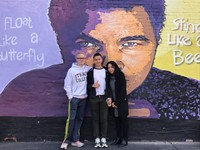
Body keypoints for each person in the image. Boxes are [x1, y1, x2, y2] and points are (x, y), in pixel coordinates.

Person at [0, 0, 199, 121]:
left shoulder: (189, 97)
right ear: (62, 44)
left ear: (157, 43)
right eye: (88, 44)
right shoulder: (26, 92)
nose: (110, 62)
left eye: (130, 44)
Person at [60, 52, 91, 150]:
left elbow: (98, 71)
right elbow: (67, 84)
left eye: (83, 58)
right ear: (76, 59)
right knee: (71, 119)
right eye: (79, 58)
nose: (81, 59)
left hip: (84, 98)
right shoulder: (71, 71)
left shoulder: (87, 69)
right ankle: (66, 141)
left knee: (79, 119)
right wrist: (71, 97)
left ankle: (75, 140)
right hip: (75, 99)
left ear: (85, 59)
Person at [87, 53, 111, 148]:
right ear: (94, 60)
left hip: (104, 98)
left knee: (104, 119)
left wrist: (109, 97)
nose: (97, 61)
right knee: (95, 119)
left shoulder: (106, 71)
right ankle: (97, 138)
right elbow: (87, 85)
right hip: (94, 98)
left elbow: (109, 86)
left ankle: (103, 138)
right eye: (96, 59)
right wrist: (93, 86)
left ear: (102, 60)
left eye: (99, 59)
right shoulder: (91, 72)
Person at [106, 61, 129, 147]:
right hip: (113, 104)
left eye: (112, 67)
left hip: (121, 103)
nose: (110, 69)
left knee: (123, 121)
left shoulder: (120, 76)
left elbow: (123, 91)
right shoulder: (108, 78)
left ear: (115, 67)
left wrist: (117, 103)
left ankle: (124, 139)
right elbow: (108, 90)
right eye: (108, 68)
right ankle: (118, 138)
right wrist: (111, 101)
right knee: (117, 122)